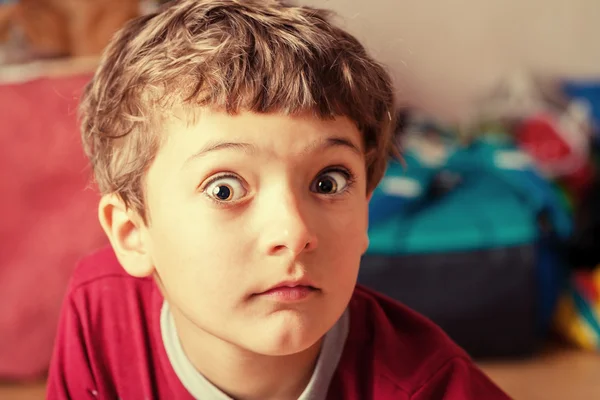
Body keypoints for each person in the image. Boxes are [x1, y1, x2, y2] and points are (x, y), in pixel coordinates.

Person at [46, 0, 510, 399]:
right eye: (224, 189)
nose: (295, 233)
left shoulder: (430, 387)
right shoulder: (99, 309)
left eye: (328, 182)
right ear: (132, 234)